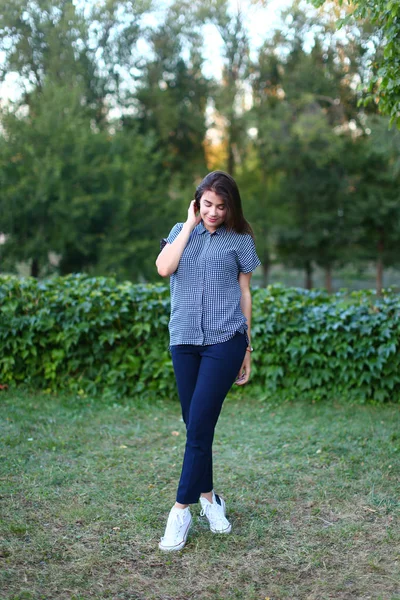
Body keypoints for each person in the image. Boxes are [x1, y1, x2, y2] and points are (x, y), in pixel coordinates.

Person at [155, 170, 261, 551]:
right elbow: (164, 268)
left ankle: (180, 511)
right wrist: (188, 225)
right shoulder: (180, 231)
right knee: (195, 425)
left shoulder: (241, 240)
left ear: (231, 206)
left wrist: (247, 346)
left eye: (221, 205)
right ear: (197, 202)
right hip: (183, 339)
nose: (214, 212)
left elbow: (245, 292)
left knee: (198, 424)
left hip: (225, 340)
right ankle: (210, 499)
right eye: (207, 204)